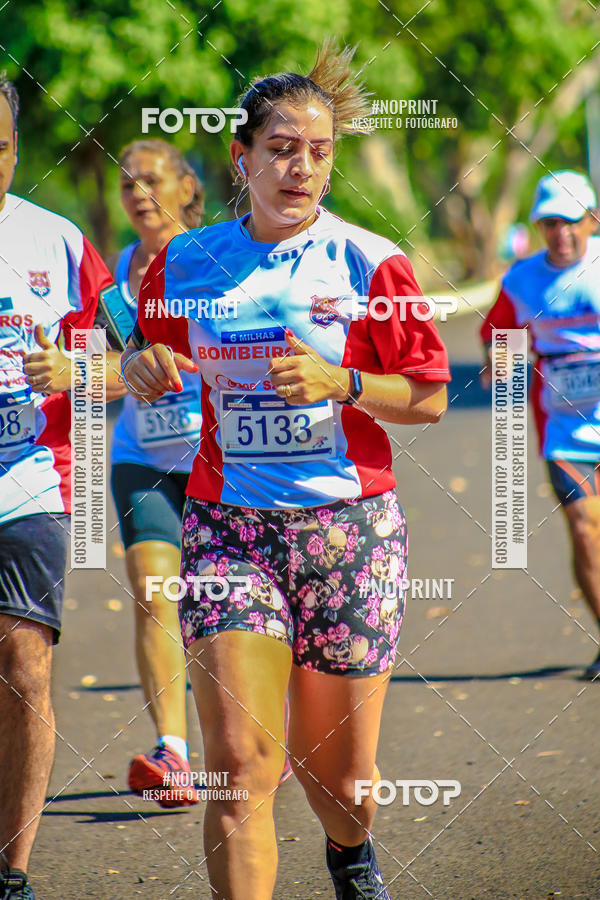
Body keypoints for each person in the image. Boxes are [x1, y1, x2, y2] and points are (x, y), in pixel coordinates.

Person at [120, 41, 450, 900]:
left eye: (319, 151)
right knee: (240, 763)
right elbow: (148, 348)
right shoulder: (188, 261)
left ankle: (350, 853)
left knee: (340, 782)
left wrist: (344, 382)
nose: (302, 167)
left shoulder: (370, 262)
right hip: (229, 527)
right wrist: (140, 365)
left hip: (349, 531)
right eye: (281, 148)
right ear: (243, 157)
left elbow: (428, 395)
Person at [0, 73, 116, 900]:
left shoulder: (60, 242)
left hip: (30, 482)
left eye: (0, 148)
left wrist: (75, 370)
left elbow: (135, 361)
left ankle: (11, 871)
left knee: (23, 664)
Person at [103, 139, 206, 807]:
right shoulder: (114, 273)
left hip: (218, 459)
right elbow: (102, 368)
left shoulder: (213, 259)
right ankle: (173, 753)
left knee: (225, 606)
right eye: (127, 184)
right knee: (153, 593)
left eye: (151, 180)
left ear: (185, 189)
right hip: (141, 457)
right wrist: (104, 372)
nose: (139, 194)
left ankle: (264, 736)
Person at [480, 170, 600, 680]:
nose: (561, 233)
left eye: (571, 221)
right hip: (565, 430)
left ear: (591, 219)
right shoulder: (522, 280)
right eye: (550, 223)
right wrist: (497, 360)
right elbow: (498, 333)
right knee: (586, 529)